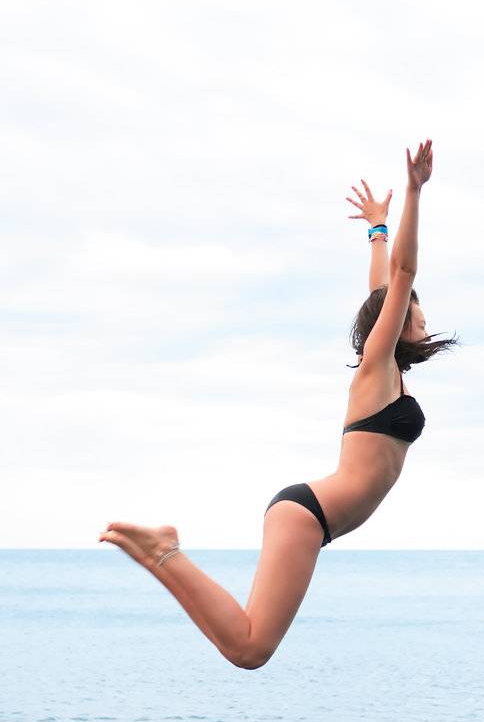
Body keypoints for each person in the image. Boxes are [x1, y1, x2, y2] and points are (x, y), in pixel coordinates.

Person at [99, 139, 456, 669]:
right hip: (307, 516)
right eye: (414, 312)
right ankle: (164, 550)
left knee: (247, 648)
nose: (422, 317)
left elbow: (382, 287)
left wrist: (376, 229)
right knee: (249, 649)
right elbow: (400, 281)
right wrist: (413, 192)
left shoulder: (392, 374)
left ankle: (164, 552)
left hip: (313, 519)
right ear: (396, 323)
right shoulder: (376, 369)